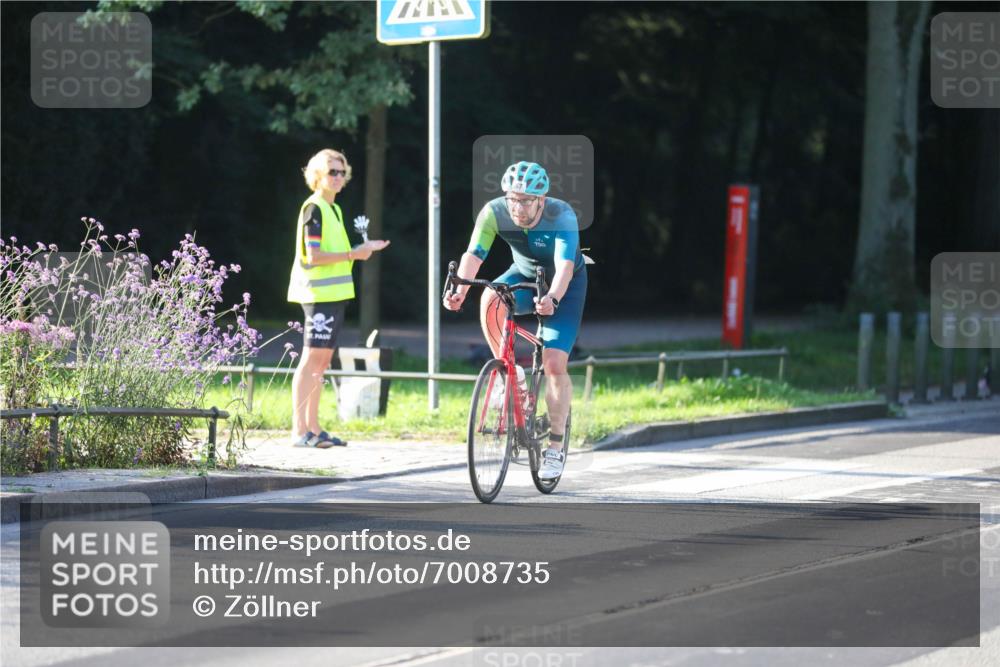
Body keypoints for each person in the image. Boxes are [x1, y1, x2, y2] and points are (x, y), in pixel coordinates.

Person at [443, 161, 587, 479]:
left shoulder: (561, 215)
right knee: (490, 298)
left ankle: (555, 447)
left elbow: (564, 267)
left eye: (525, 200)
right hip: (523, 274)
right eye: (512, 199)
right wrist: (460, 291)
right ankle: (509, 372)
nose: (517, 207)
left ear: (541, 199)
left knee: (553, 363)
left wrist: (553, 298)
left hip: (565, 286)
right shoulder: (494, 212)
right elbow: (474, 254)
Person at [287, 149, 390, 448]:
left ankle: (314, 428)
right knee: (310, 361)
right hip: (318, 296)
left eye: (342, 172)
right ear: (318, 174)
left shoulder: (334, 209)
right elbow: (314, 256)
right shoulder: (314, 208)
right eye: (332, 171)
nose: (338, 177)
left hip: (334, 296)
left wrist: (359, 250)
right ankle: (299, 431)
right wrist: (353, 254)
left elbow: (336, 254)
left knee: (321, 364)